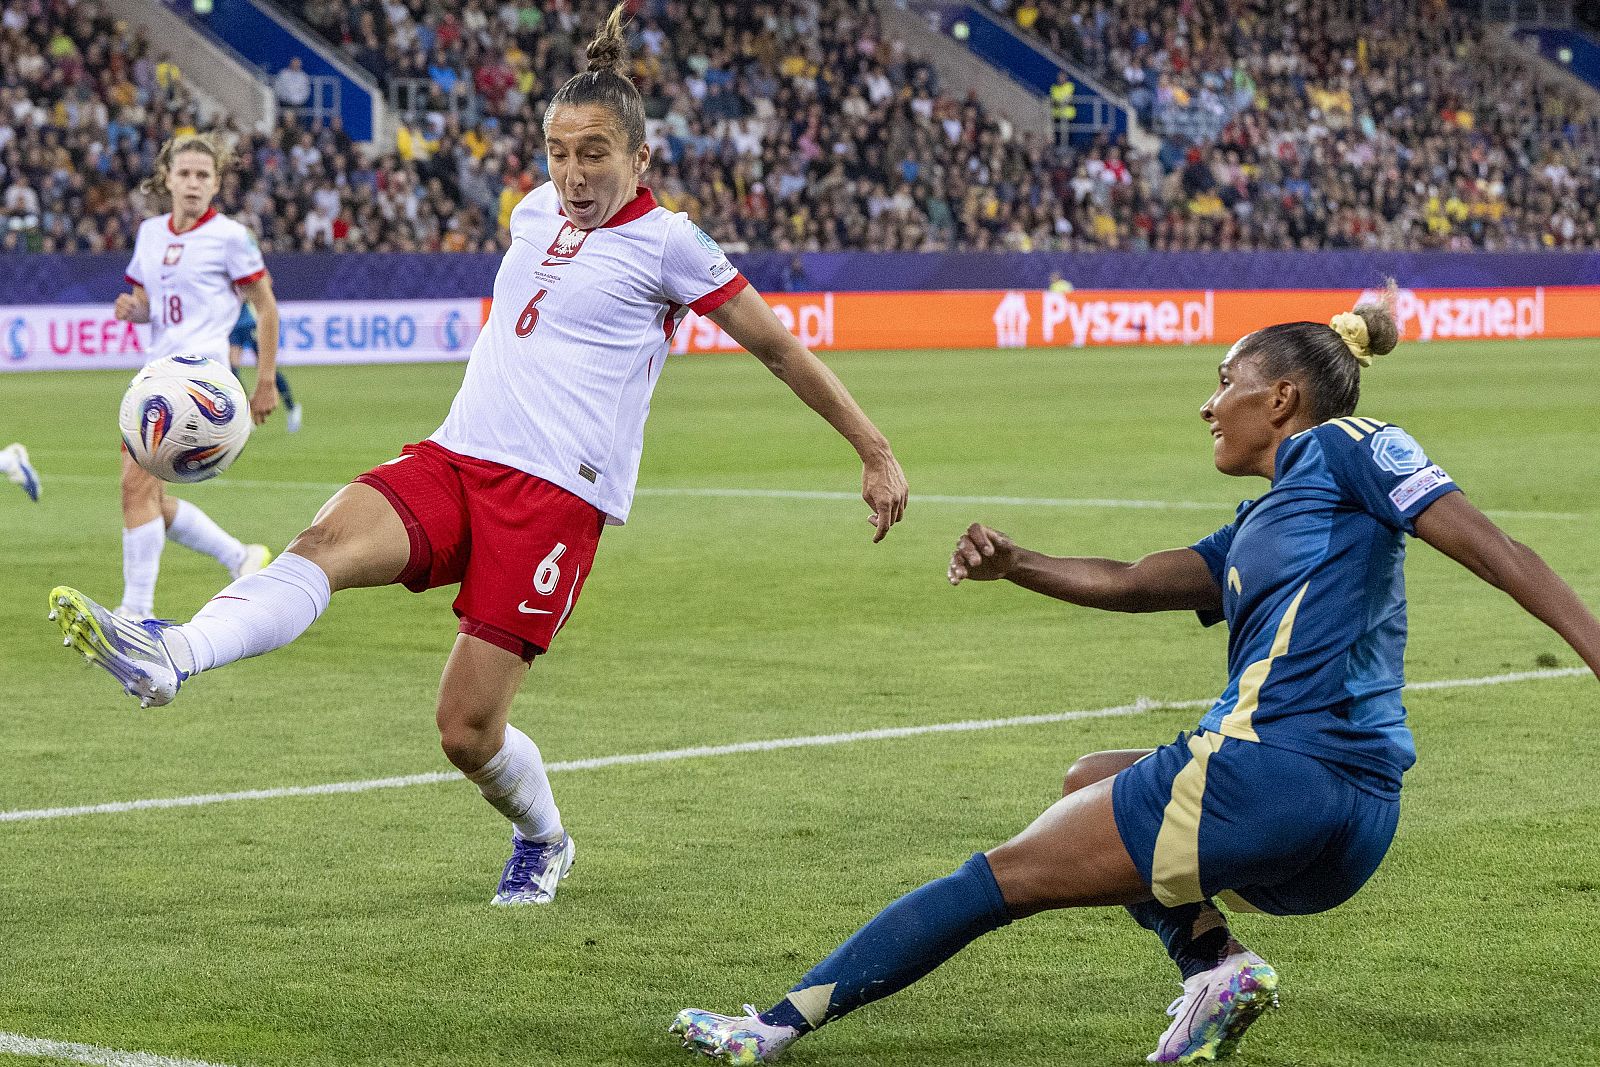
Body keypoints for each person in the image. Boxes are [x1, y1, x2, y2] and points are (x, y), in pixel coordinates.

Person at [49, 4, 907, 907]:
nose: (572, 174)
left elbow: (778, 347)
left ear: (640, 159)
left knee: (464, 730)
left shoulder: (671, 243)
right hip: (458, 456)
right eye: (559, 151)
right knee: (320, 545)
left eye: (595, 154)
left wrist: (874, 450)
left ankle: (545, 838)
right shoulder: (534, 211)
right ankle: (169, 654)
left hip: (553, 503)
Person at [671, 294, 1600, 1064]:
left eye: (1224, 381)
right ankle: (1214, 969)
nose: (1209, 403)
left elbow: (1498, 550)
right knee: (1090, 778)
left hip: (1271, 769)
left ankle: (771, 1026)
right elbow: (1132, 582)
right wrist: (1016, 563)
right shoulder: (1267, 521)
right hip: (1352, 814)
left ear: (1281, 398)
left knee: (998, 877)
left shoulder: (1346, 445)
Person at [112, 133, 279, 619]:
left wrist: (265, 381)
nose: (192, 183)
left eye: (202, 175)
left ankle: (136, 615)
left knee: (135, 486)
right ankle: (239, 557)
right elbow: (157, 310)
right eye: (183, 173)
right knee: (147, 496)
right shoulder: (150, 234)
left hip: (203, 386)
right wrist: (137, 312)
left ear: (217, 184)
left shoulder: (230, 237)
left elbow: (266, 308)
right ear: (167, 178)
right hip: (156, 378)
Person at [229, 302, 303, 433]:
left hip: (250, 323)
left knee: (266, 366)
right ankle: (246, 414)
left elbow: (262, 286)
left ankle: (292, 408)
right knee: (232, 370)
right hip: (233, 324)